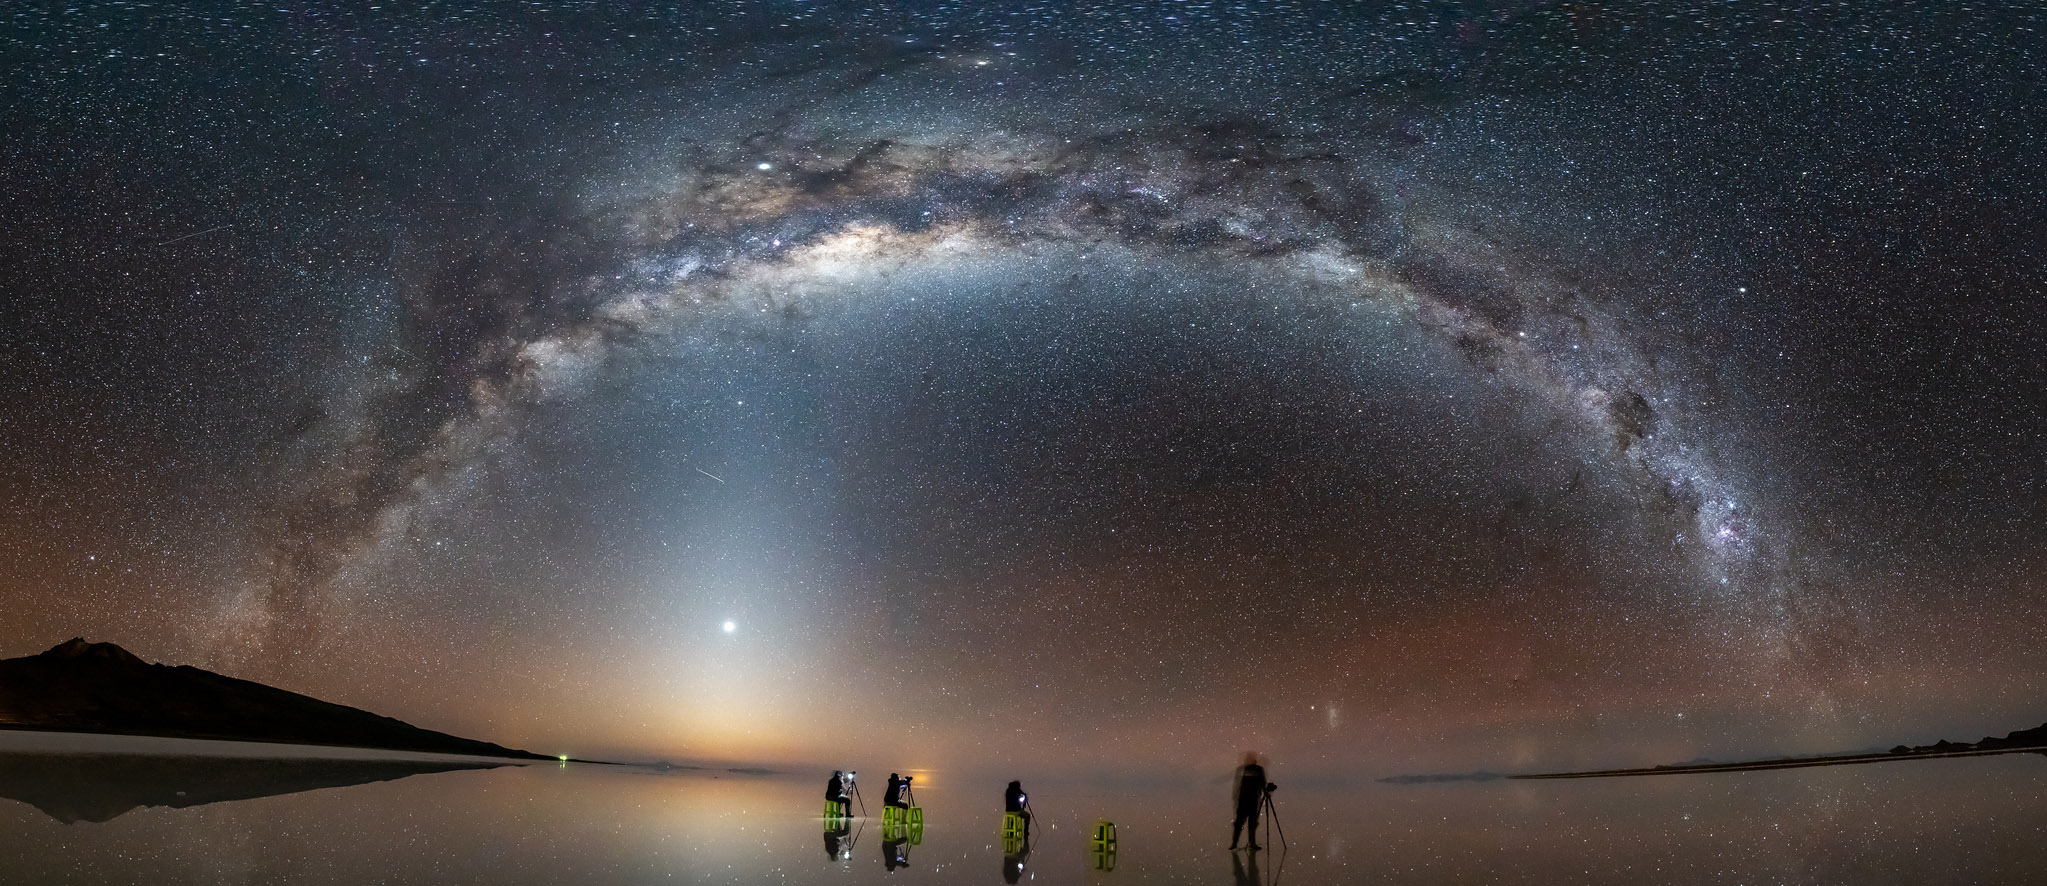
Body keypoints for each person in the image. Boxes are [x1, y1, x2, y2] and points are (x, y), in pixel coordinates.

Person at [1229, 752, 1267, 851]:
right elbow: (1263, 783)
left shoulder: (1244, 769)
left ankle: (1236, 843)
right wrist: (1265, 791)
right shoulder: (1257, 769)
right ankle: (1250, 843)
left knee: (1242, 822)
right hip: (1250, 800)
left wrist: (1235, 798)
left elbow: (1238, 784)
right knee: (1250, 823)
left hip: (1245, 799)